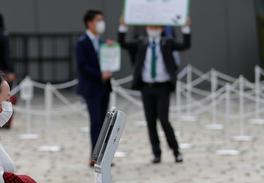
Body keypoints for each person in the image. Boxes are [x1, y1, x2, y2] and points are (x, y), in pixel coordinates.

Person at [119, 17, 192, 163]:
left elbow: (185, 45)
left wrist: (185, 29)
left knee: (164, 119)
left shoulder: (167, 42)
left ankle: (176, 150)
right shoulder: (141, 42)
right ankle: (156, 153)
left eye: (156, 26)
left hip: (163, 86)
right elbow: (123, 44)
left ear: (161, 28)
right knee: (150, 121)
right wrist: (122, 27)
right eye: (150, 26)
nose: (153, 29)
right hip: (147, 87)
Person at [75, 9, 113, 166]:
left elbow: (109, 60)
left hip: (104, 87)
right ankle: (95, 156)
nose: (101, 23)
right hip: (91, 87)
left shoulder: (102, 42)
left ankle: (103, 155)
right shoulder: (82, 42)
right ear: (90, 23)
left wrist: (112, 48)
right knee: (95, 121)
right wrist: (99, 75)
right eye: (98, 20)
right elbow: (82, 65)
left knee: (105, 122)